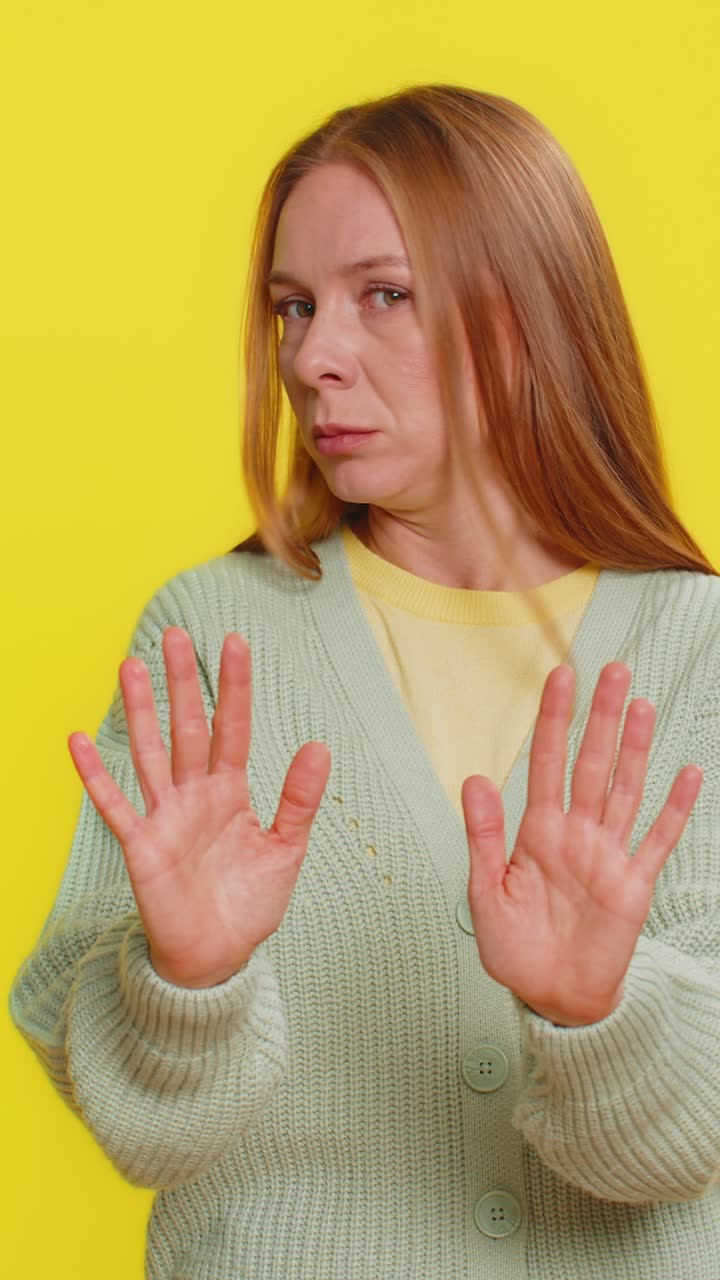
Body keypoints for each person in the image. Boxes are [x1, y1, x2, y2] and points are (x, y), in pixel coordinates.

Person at [9, 82, 720, 1280]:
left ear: (527, 311)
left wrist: (601, 1006)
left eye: (381, 296)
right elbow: (142, 1129)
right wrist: (191, 978)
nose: (313, 357)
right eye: (294, 307)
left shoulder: (697, 647)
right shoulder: (211, 633)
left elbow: (684, 1147)